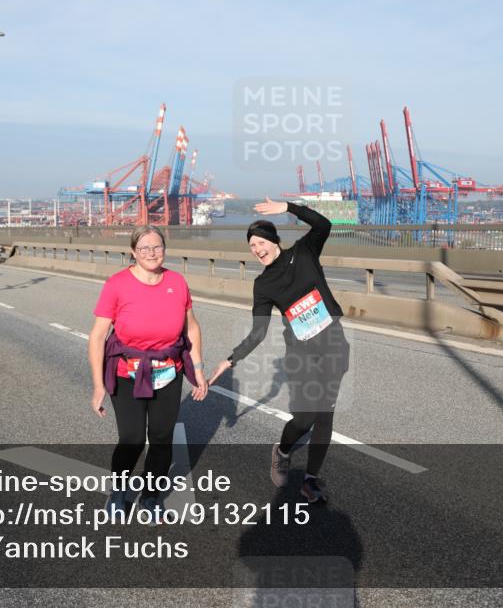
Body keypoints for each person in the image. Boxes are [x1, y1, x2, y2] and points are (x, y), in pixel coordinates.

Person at [208, 198, 350, 504]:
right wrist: (232, 359)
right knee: (305, 418)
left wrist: (289, 207)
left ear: (275, 241)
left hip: (333, 345)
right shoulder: (263, 284)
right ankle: (283, 451)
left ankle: (310, 479)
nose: (257, 249)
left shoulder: (304, 252)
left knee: (325, 414)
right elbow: (259, 331)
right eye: (252, 246)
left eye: (261, 242)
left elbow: (323, 225)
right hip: (301, 352)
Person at [88, 225, 208, 522]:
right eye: (144, 248)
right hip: (127, 372)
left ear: (164, 249)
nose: (152, 253)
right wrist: (98, 385)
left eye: (157, 247)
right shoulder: (117, 284)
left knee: (162, 438)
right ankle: (118, 492)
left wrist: (198, 369)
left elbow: (191, 327)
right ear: (133, 252)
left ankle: (151, 497)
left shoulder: (177, 282)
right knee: (131, 438)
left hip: (168, 372)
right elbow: (98, 335)